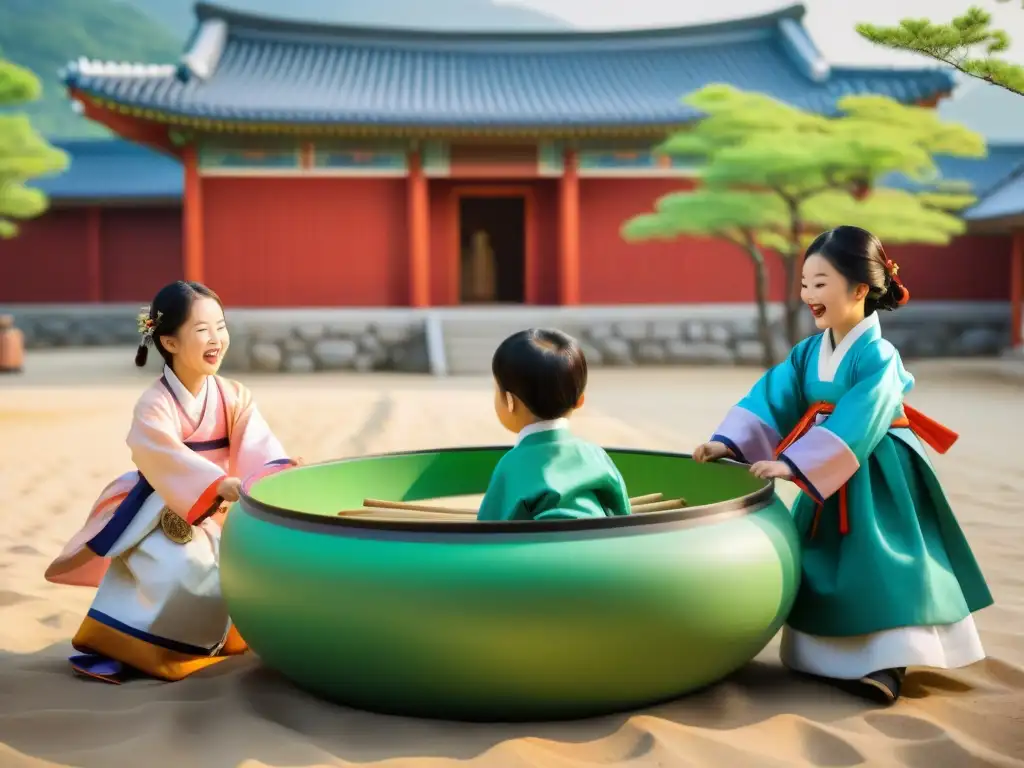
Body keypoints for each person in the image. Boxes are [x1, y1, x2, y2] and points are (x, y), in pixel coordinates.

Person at [693, 226, 992, 704]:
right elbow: (772, 398)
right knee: (823, 559)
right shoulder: (808, 352)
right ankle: (825, 658)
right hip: (823, 467)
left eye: (820, 283)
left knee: (881, 561)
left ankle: (888, 664)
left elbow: (862, 416)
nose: (808, 294)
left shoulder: (878, 355)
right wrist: (730, 443)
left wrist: (795, 465)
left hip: (876, 469)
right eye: (805, 284)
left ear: (858, 289)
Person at [44, 281, 297, 683]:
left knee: (239, 571)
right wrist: (216, 483)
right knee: (177, 571)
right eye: (202, 330)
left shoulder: (234, 395)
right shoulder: (155, 403)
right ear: (170, 342)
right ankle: (122, 648)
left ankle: (210, 644)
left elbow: (260, 447)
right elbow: (161, 455)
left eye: (221, 326)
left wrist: (273, 477)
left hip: (218, 506)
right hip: (160, 506)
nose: (217, 339)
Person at [477, 328, 631, 521]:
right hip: (597, 545)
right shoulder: (596, 456)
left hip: (537, 550)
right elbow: (624, 517)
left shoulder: (510, 466)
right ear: (580, 400)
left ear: (510, 401)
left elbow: (486, 532)